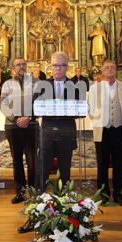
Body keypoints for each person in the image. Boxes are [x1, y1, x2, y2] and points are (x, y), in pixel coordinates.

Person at [88, 60, 122, 206]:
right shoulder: (95, 88)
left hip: (119, 131)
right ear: (102, 71)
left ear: (116, 70)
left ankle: (118, 194)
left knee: (119, 164)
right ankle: (104, 193)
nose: (110, 69)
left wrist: (118, 121)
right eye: (107, 68)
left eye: (112, 67)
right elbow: (91, 108)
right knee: (102, 164)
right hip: (103, 131)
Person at [1, 58, 38, 206]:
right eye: (18, 64)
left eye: (23, 64)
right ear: (13, 68)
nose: (21, 66)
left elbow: (40, 102)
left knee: (32, 161)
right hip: (12, 126)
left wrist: (28, 117)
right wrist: (16, 118)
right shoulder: (7, 84)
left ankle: (34, 193)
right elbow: (3, 104)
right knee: (17, 160)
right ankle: (20, 192)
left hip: (31, 125)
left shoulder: (36, 82)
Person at [39, 52, 78, 190]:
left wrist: (75, 108)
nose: (58, 68)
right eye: (55, 65)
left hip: (66, 133)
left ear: (67, 67)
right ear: (50, 67)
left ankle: (64, 199)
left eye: (61, 65)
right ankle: (40, 198)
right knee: (43, 168)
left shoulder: (75, 86)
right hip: (47, 133)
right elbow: (36, 107)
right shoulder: (42, 85)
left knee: (65, 169)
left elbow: (79, 111)